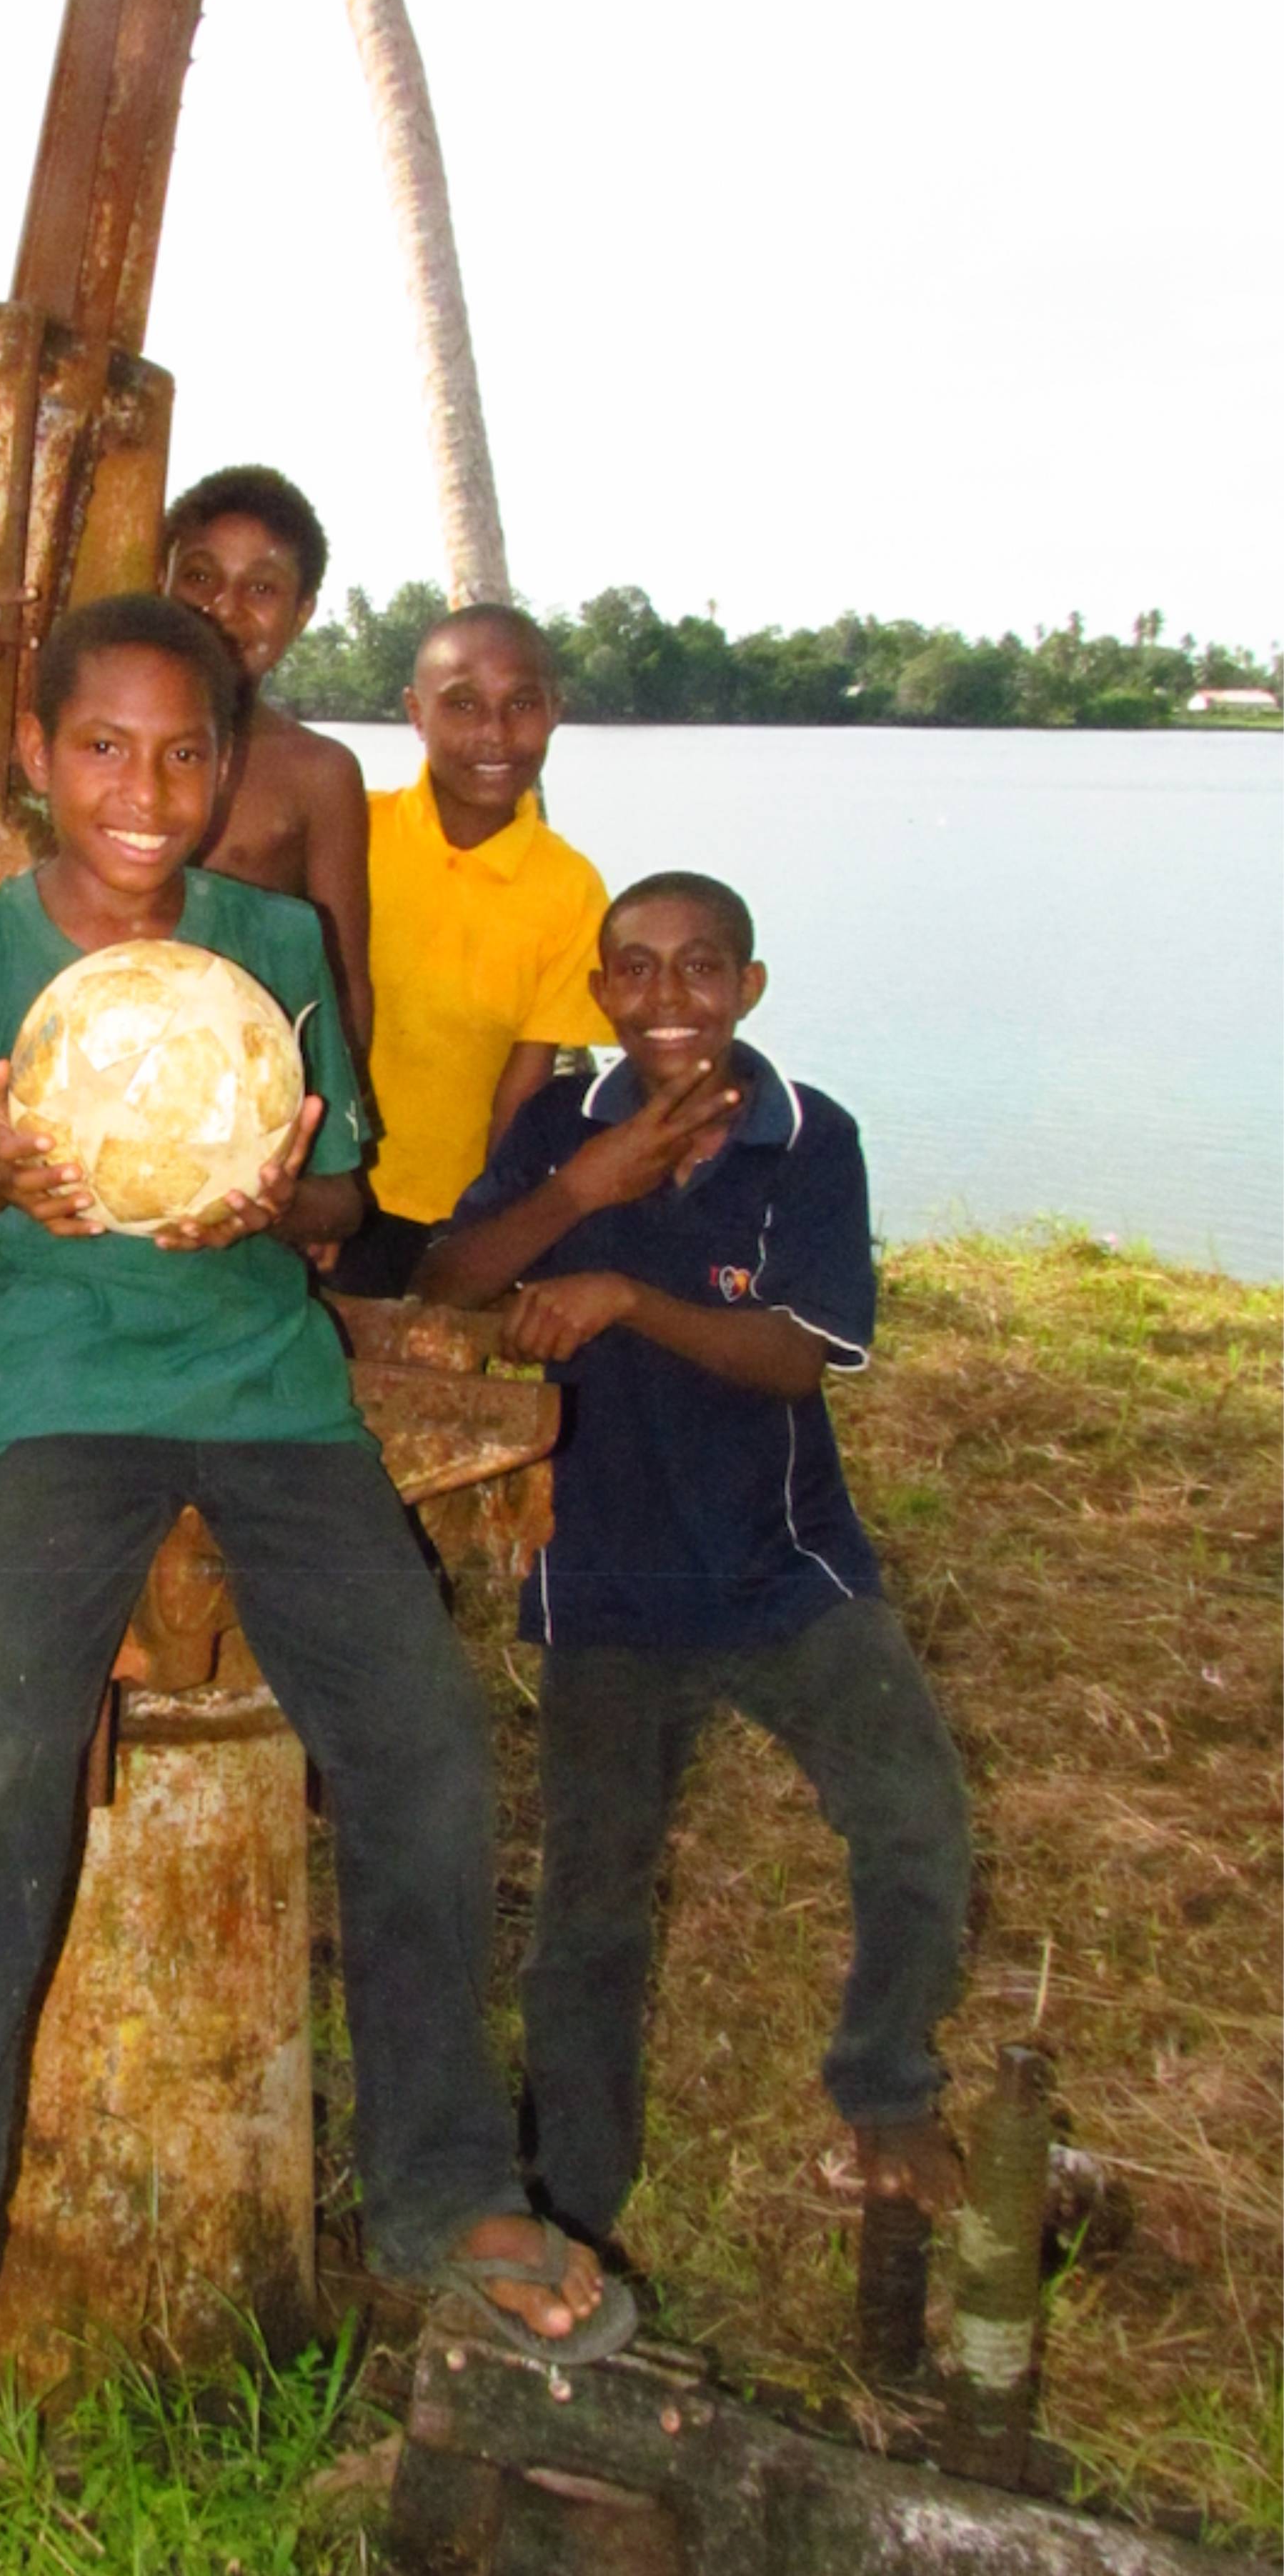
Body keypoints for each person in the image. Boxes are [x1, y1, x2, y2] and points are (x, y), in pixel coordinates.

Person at [0, 591, 635, 2443]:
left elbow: (341, 1193)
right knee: (6, 1753)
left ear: (226, 762)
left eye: (184, 753)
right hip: (62, 1388)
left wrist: (274, 1201)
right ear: (37, 757)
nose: (145, 790)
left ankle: (443, 2193)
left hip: (268, 1386)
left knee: (421, 1742)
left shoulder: (269, 939)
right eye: (103, 749)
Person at [414, 871, 973, 2250]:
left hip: (787, 1566)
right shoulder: (559, 1125)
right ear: (601, 992)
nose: (670, 996)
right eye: (639, 969)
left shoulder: (808, 1138)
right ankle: (575, 2195)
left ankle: (886, 2087)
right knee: (589, 1909)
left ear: (748, 988)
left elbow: (794, 1358)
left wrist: (624, 1296)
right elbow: (449, 1281)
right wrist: (581, 1193)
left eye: (702, 966)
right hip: (606, 1579)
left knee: (914, 1818)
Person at [0, 464, 372, 1052]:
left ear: (302, 612)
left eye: (260, 589)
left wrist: (332, 1096)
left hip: (226, 1064)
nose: (224, 606)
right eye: (200, 575)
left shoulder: (319, 772)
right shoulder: (80, 721)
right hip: (61, 1042)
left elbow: (343, 980)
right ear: (162, 578)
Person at [335, 604, 614, 1298]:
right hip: (318, 1188)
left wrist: (487, 1236)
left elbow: (524, 1089)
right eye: (462, 705)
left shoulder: (569, 888)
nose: (494, 733)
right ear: (416, 712)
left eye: (522, 704)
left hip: (447, 1215)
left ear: (555, 710)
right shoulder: (352, 827)